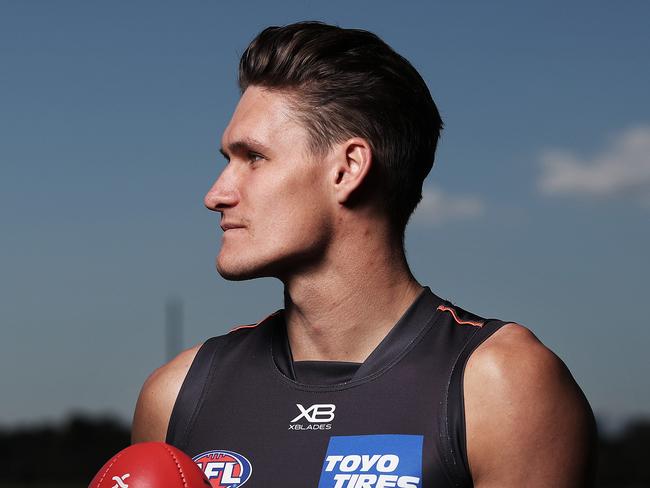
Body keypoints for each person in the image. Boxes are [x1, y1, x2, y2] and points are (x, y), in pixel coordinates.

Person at [132, 21, 596, 487]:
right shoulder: (176, 394)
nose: (216, 194)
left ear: (347, 169)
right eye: (225, 161)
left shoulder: (500, 384)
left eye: (253, 157)